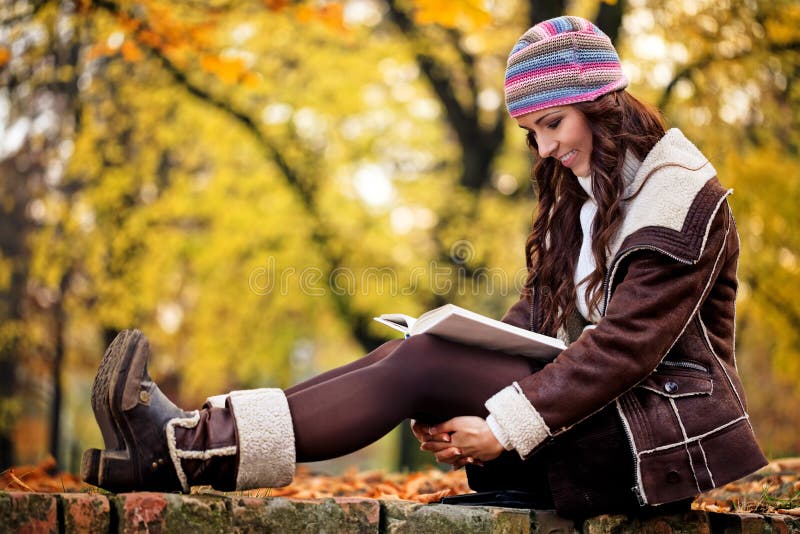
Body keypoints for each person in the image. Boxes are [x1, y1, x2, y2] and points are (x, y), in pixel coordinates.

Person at [81, 16, 767, 518]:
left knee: (419, 364)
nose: (546, 147)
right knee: (421, 351)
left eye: (554, 124)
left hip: (651, 439)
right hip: (589, 415)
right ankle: (184, 444)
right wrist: (461, 374)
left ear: (602, 100)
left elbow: (627, 349)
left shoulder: (681, 199)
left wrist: (499, 425)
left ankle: (183, 449)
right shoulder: (587, 196)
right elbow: (534, 318)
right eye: (532, 134)